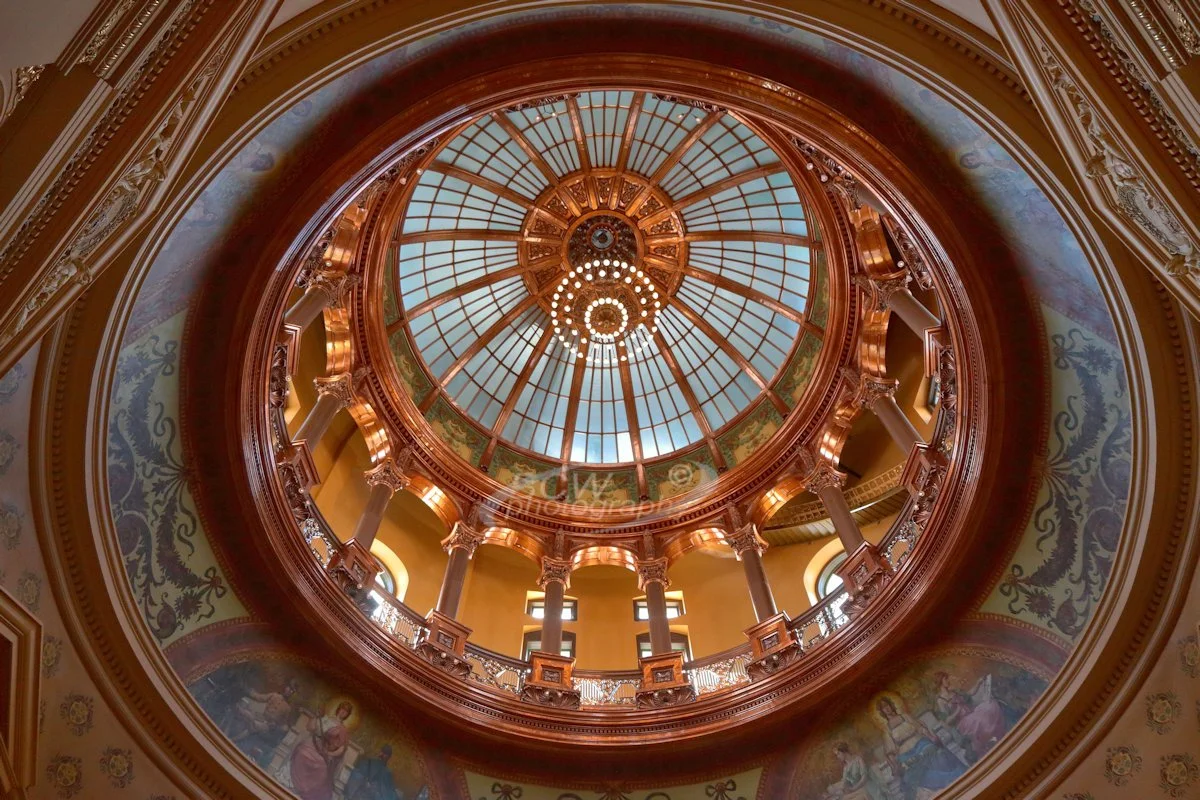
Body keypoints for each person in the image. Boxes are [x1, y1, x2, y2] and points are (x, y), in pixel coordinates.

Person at [876, 697, 966, 798]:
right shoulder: (887, 730)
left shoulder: (905, 717)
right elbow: (890, 751)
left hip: (920, 743)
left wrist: (931, 736)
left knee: (934, 751)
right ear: (882, 712)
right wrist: (895, 766)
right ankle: (945, 782)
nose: (887, 708)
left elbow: (920, 728)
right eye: (883, 708)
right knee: (910, 772)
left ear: (891, 705)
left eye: (887, 705)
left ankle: (952, 780)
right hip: (905, 753)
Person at [289, 701, 353, 800]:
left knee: (322, 766)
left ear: (347, 715)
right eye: (342, 709)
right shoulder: (326, 719)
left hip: (324, 751)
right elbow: (310, 728)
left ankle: (307, 793)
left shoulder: (343, 730)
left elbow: (341, 749)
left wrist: (330, 753)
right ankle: (294, 785)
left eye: (346, 712)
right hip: (312, 744)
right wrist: (317, 717)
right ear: (338, 709)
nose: (343, 712)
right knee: (302, 752)